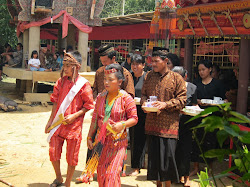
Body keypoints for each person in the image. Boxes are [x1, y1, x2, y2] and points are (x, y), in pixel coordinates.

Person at [45, 51, 94, 187]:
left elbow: (88, 105)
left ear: (76, 66)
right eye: (64, 65)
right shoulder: (60, 82)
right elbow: (55, 101)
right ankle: (59, 178)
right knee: (53, 151)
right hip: (58, 124)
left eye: (68, 65)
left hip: (74, 126)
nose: (64, 68)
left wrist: (75, 115)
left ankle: (67, 183)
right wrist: (50, 120)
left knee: (72, 156)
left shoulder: (84, 85)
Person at [141, 47, 187, 187]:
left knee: (167, 162)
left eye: (156, 61)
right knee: (154, 161)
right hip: (152, 125)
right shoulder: (149, 76)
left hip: (168, 128)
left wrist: (165, 104)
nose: (153, 64)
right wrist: (144, 104)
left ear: (166, 61)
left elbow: (182, 100)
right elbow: (144, 94)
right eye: (152, 61)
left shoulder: (176, 78)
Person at [86, 63, 138, 186]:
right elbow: (95, 119)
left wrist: (122, 124)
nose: (106, 82)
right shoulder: (101, 97)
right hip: (102, 142)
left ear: (119, 81)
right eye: (105, 79)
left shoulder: (126, 98)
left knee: (112, 174)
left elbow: (134, 118)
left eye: (110, 80)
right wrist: (89, 136)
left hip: (118, 143)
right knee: (101, 174)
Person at [190, 59, 226, 176]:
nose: (201, 72)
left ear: (210, 69)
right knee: (196, 142)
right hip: (198, 115)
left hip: (213, 117)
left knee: (210, 142)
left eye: (203, 69)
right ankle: (196, 167)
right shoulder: (196, 83)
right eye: (199, 70)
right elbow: (192, 100)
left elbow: (224, 99)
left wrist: (214, 104)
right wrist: (198, 102)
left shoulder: (217, 84)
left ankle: (208, 168)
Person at [172, 66, 198, 187]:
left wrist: (194, 109)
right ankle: (175, 176)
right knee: (174, 150)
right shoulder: (170, 88)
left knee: (186, 150)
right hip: (172, 123)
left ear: (185, 77)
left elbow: (194, 105)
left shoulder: (192, 88)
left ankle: (186, 177)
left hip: (187, 123)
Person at [128, 54, 147, 176]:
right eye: (133, 64)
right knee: (134, 138)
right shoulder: (129, 77)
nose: (134, 67)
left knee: (143, 139)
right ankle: (136, 166)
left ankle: (140, 164)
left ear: (143, 65)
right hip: (132, 111)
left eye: (137, 64)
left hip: (144, 111)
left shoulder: (147, 78)